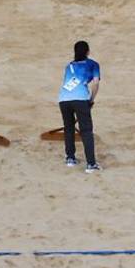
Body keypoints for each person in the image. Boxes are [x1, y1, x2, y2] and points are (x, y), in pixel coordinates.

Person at [58, 41, 101, 173]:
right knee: (86, 131)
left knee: (69, 128)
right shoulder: (93, 64)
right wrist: (91, 100)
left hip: (64, 99)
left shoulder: (69, 66)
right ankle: (91, 164)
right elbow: (95, 83)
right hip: (81, 99)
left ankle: (70, 158)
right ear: (88, 51)